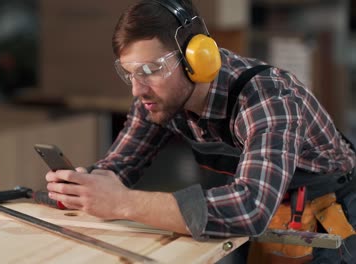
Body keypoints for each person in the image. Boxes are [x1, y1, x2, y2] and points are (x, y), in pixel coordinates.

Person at [45, 0, 356, 262]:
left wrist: (122, 202)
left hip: (327, 214)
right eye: (131, 74)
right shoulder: (157, 96)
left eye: (151, 70)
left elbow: (250, 207)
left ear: (198, 59)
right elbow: (120, 165)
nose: (138, 90)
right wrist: (85, 187)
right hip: (258, 214)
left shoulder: (268, 98)